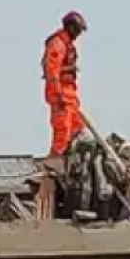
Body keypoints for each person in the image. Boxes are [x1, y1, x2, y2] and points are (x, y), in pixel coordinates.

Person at [43, 11, 88, 156]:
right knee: (62, 134)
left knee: (78, 132)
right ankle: (54, 166)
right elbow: (52, 71)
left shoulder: (66, 44)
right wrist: (58, 94)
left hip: (70, 97)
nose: (78, 34)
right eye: (77, 29)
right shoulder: (58, 44)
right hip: (61, 95)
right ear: (70, 26)